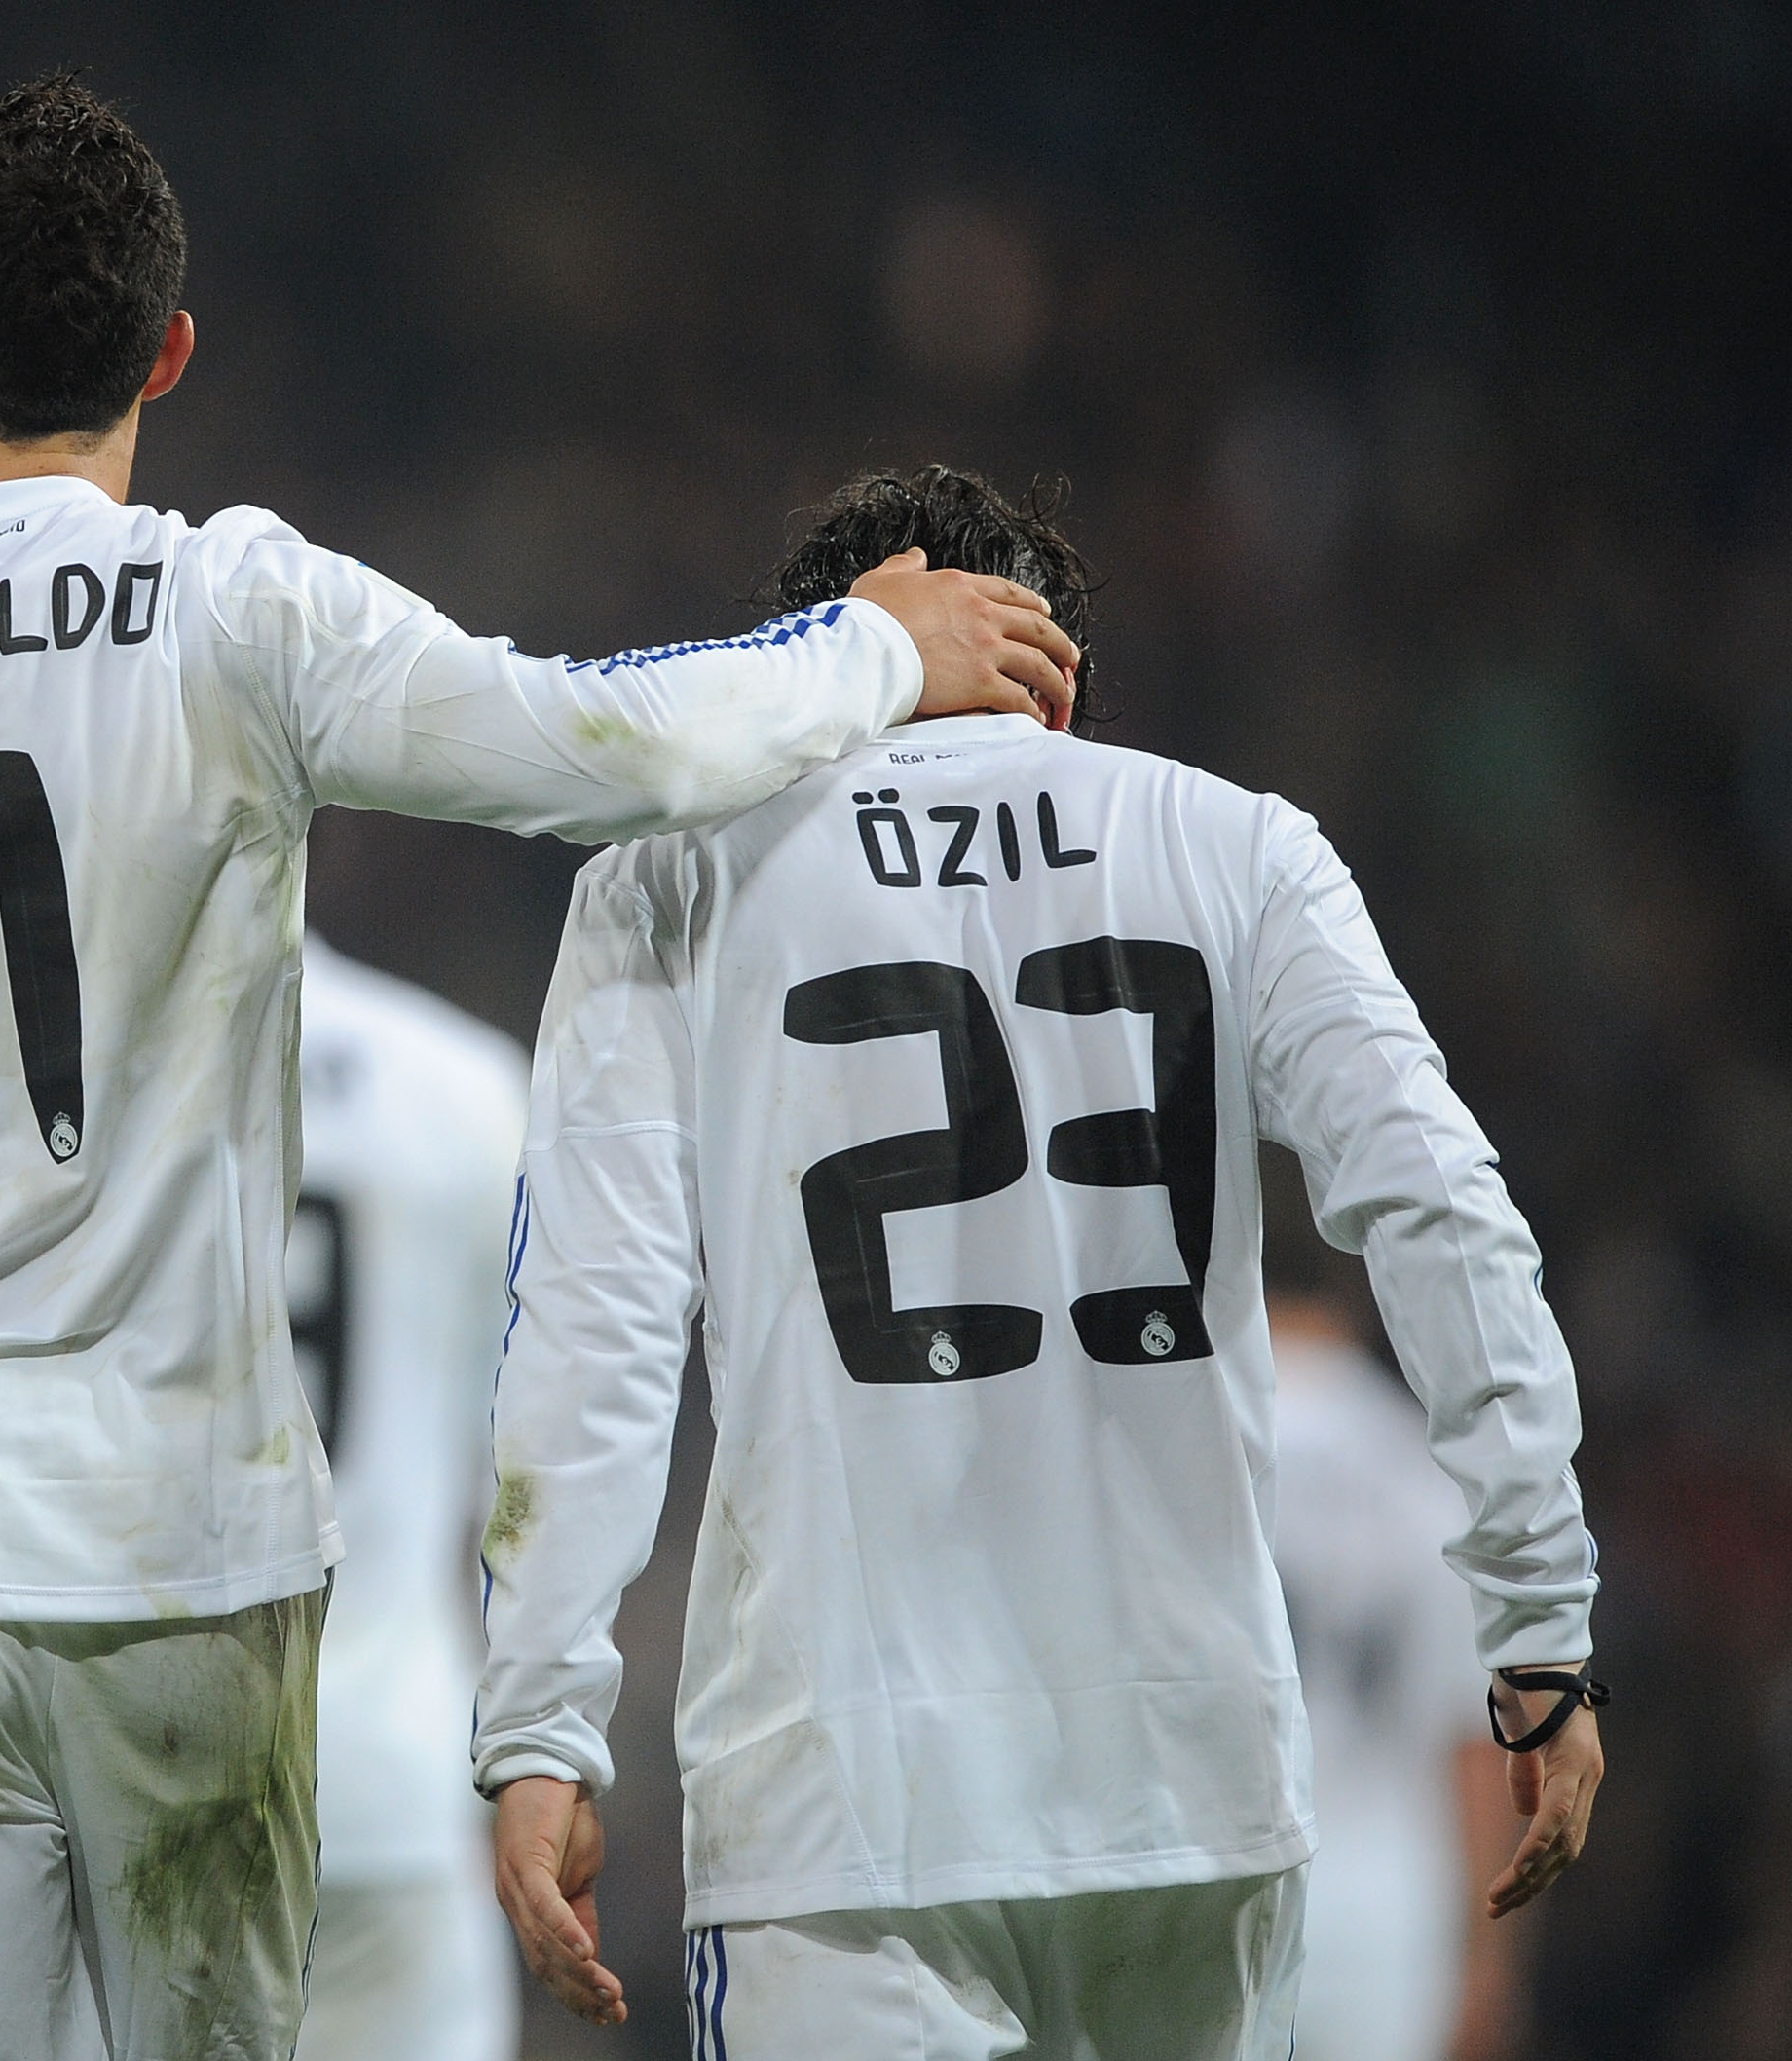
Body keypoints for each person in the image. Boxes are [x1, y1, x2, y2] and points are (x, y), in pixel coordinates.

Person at [0, 78, 1080, 2061]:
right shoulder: (232, 605)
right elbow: (601, 747)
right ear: (166, 353)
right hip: (190, 1580)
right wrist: (867, 646)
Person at [473, 466, 1606, 2060]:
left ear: (814, 660)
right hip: (1188, 1798)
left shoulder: (671, 882)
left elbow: (589, 1326)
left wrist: (538, 1727)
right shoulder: (1239, 848)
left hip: (848, 1810)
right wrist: (1539, 1619)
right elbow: (1443, 1211)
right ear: (1058, 682)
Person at [289, 935, 526, 2061]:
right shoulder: (464, 1086)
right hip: (392, 1760)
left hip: (125, 1769)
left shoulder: (59, 1089)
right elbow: (521, 1489)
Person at [1264, 1203, 1529, 2061]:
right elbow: (1472, 1736)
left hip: (1223, 1883)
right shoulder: (1422, 1470)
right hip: (1387, 1908)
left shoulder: (1189, 1449)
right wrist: (1488, 1959)